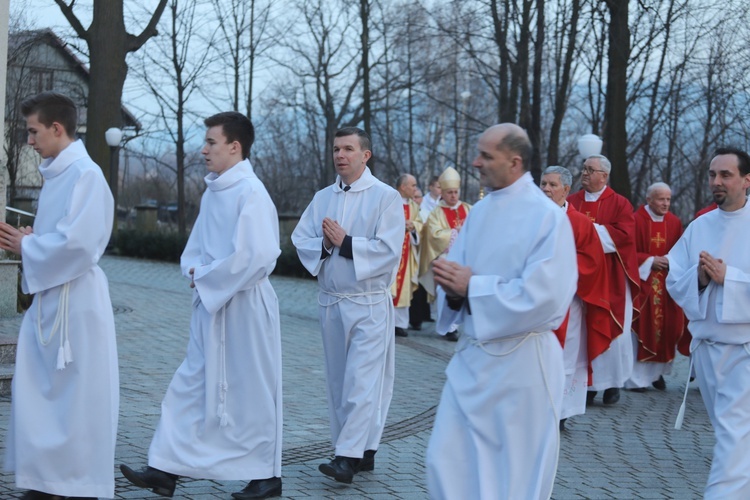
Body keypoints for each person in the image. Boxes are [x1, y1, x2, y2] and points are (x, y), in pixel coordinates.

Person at [120, 112, 283, 500]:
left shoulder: (251, 193)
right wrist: (196, 271)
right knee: (189, 384)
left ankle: (266, 476)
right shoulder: (215, 191)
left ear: (234, 146)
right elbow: (196, 250)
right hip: (212, 306)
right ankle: (165, 467)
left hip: (246, 307)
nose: (204, 149)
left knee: (252, 391)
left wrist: (207, 275)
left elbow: (259, 255)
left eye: (211, 142)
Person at [425, 124, 577, 499]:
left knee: (512, 475)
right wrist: (453, 289)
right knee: (445, 461)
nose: (475, 162)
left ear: (515, 161)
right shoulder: (479, 213)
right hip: (473, 359)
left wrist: (471, 287)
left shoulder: (547, 217)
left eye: (486, 156)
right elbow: (459, 280)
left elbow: (546, 297)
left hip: (522, 366)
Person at [0, 91, 119, 499]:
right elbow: (62, 236)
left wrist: (26, 246)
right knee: (37, 391)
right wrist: (37, 240)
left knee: (76, 398)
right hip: (53, 297)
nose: (29, 140)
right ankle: (45, 478)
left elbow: (82, 245)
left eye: (33, 131)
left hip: (78, 304)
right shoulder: (57, 173)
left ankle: (74, 482)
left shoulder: (85, 175)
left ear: (56, 128)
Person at [291, 127, 404, 485]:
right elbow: (300, 237)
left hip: (367, 303)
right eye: (337, 149)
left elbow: (389, 251)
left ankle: (346, 457)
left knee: (362, 380)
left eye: (349, 149)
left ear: (365, 155)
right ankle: (362, 449)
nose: (341, 155)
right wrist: (325, 246)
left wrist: (346, 243)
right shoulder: (323, 196)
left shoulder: (385, 197)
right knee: (339, 381)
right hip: (331, 303)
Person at [667, 147, 750, 499]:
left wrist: (727, 277)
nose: (716, 182)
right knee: (732, 435)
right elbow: (674, 278)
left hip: (744, 350)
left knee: (734, 435)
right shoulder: (700, 225)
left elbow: (727, 277)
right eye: (713, 175)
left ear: (747, 180)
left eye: (726, 175)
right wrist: (699, 279)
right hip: (705, 351)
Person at [541, 166, 612, 430]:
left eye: (552, 185)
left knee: (566, 359)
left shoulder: (580, 223)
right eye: (544, 184)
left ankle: (560, 411)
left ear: (566, 191)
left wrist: (559, 268)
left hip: (569, 302)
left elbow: (592, 263)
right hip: (537, 302)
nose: (546, 189)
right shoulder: (531, 219)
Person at [567, 154, 640, 405]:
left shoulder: (620, 204)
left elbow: (623, 236)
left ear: (604, 176)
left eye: (590, 170)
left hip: (611, 277)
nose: (584, 174)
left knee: (613, 329)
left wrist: (587, 231)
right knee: (583, 329)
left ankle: (612, 384)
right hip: (580, 275)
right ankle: (587, 385)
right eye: (584, 169)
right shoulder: (571, 201)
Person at [626, 182, 685, 392]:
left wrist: (670, 262)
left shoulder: (674, 222)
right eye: (661, 199)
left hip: (667, 284)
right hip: (643, 285)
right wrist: (650, 260)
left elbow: (681, 252)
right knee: (643, 327)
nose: (665, 203)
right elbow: (627, 253)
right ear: (649, 199)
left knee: (669, 328)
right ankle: (636, 379)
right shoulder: (635, 220)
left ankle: (657, 374)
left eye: (668, 199)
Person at [419, 167, 472, 341]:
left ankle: (457, 325)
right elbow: (433, 234)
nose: (453, 196)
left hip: (466, 259)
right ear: (443, 192)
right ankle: (448, 327)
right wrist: (455, 233)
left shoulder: (469, 209)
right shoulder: (437, 212)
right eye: (449, 192)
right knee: (444, 292)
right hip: (445, 259)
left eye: (456, 192)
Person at [392, 174, 423, 337]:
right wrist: (399, 225)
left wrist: (413, 226)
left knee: (403, 288)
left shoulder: (414, 207)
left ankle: (400, 324)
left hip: (406, 252)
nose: (415, 189)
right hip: (390, 253)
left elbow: (420, 225)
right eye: (413, 185)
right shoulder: (389, 201)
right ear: (403, 187)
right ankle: (386, 321)